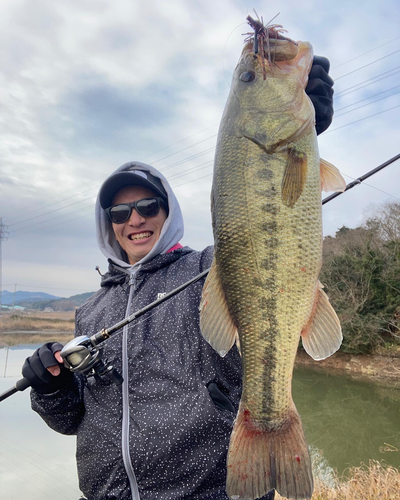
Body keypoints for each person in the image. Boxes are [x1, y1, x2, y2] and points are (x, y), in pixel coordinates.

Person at [21, 57, 334, 500]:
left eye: (149, 206)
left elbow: (268, 237)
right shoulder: (91, 311)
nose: (135, 220)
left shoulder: (207, 269)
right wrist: (50, 387)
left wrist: (299, 146)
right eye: (120, 212)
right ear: (107, 223)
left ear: (168, 214)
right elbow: (72, 421)